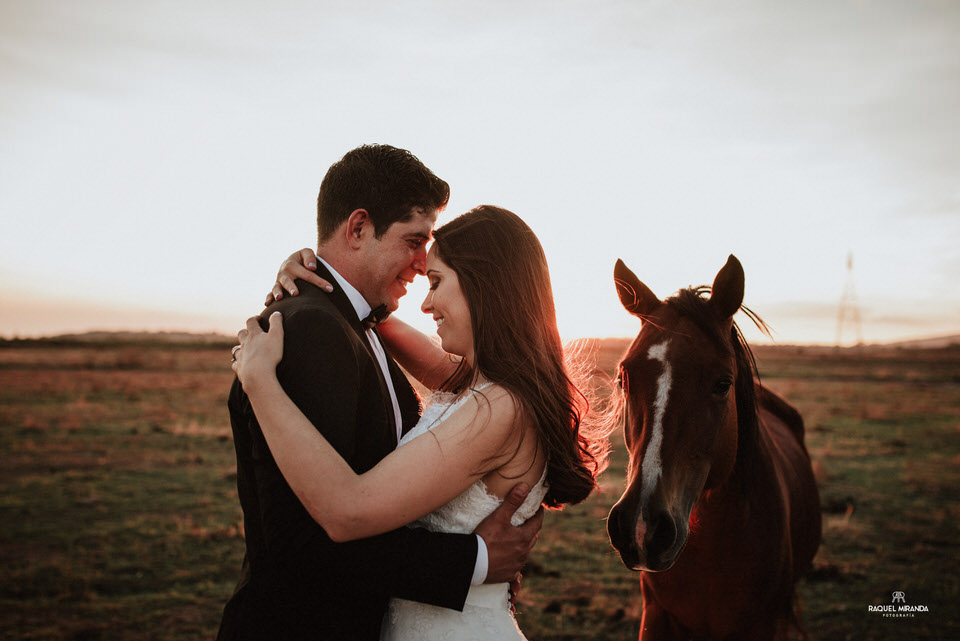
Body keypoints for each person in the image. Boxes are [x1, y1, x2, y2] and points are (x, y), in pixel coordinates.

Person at [232, 205, 610, 640]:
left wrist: (260, 382)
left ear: (484, 285)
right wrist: (327, 279)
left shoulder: (500, 407)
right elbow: (381, 321)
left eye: (436, 282)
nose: (426, 303)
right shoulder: (486, 386)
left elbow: (347, 511)